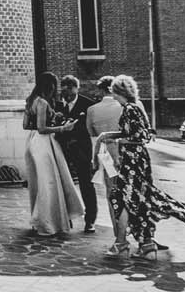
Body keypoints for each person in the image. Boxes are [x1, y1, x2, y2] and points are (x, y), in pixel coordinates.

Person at [96, 75, 185, 261]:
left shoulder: (129, 109)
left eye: (114, 93)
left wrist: (117, 139)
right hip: (135, 158)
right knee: (138, 199)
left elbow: (141, 136)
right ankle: (146, 244)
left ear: (119, 92)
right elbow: (136, 132)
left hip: (133, 160)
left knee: (123, 198)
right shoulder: (132, 108)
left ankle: (121, 243)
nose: (113, 96)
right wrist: (109, 135)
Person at [23, 73, 85, 236]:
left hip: (32, 141)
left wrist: (53, 119)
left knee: (40, 181)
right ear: (49, 86)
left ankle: (40, 220)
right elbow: (42, 128)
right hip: (44, 143)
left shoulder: (30, 101)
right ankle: (47, 221)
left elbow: (26, 125)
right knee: (49, 182)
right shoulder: (42, 102)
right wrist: (62, 128)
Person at [84, 77, 128, 254]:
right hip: (127, 153)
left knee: (112, 194)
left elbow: (91, 132)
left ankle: (118, 234)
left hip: (106, 154)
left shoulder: (93, 110)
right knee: (131, 191)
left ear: (101, 91)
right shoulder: (127, 106)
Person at [53, 76, 97, 230]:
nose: (67, 95)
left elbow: (91, 129)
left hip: (81, 150)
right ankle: (65, 217)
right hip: (62, 149)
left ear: (76, 89)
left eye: (71, 90)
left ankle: (90, 219)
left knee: (86, 184)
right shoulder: (56, 105)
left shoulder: (88, 105)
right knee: (62, 183)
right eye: (65, 91)